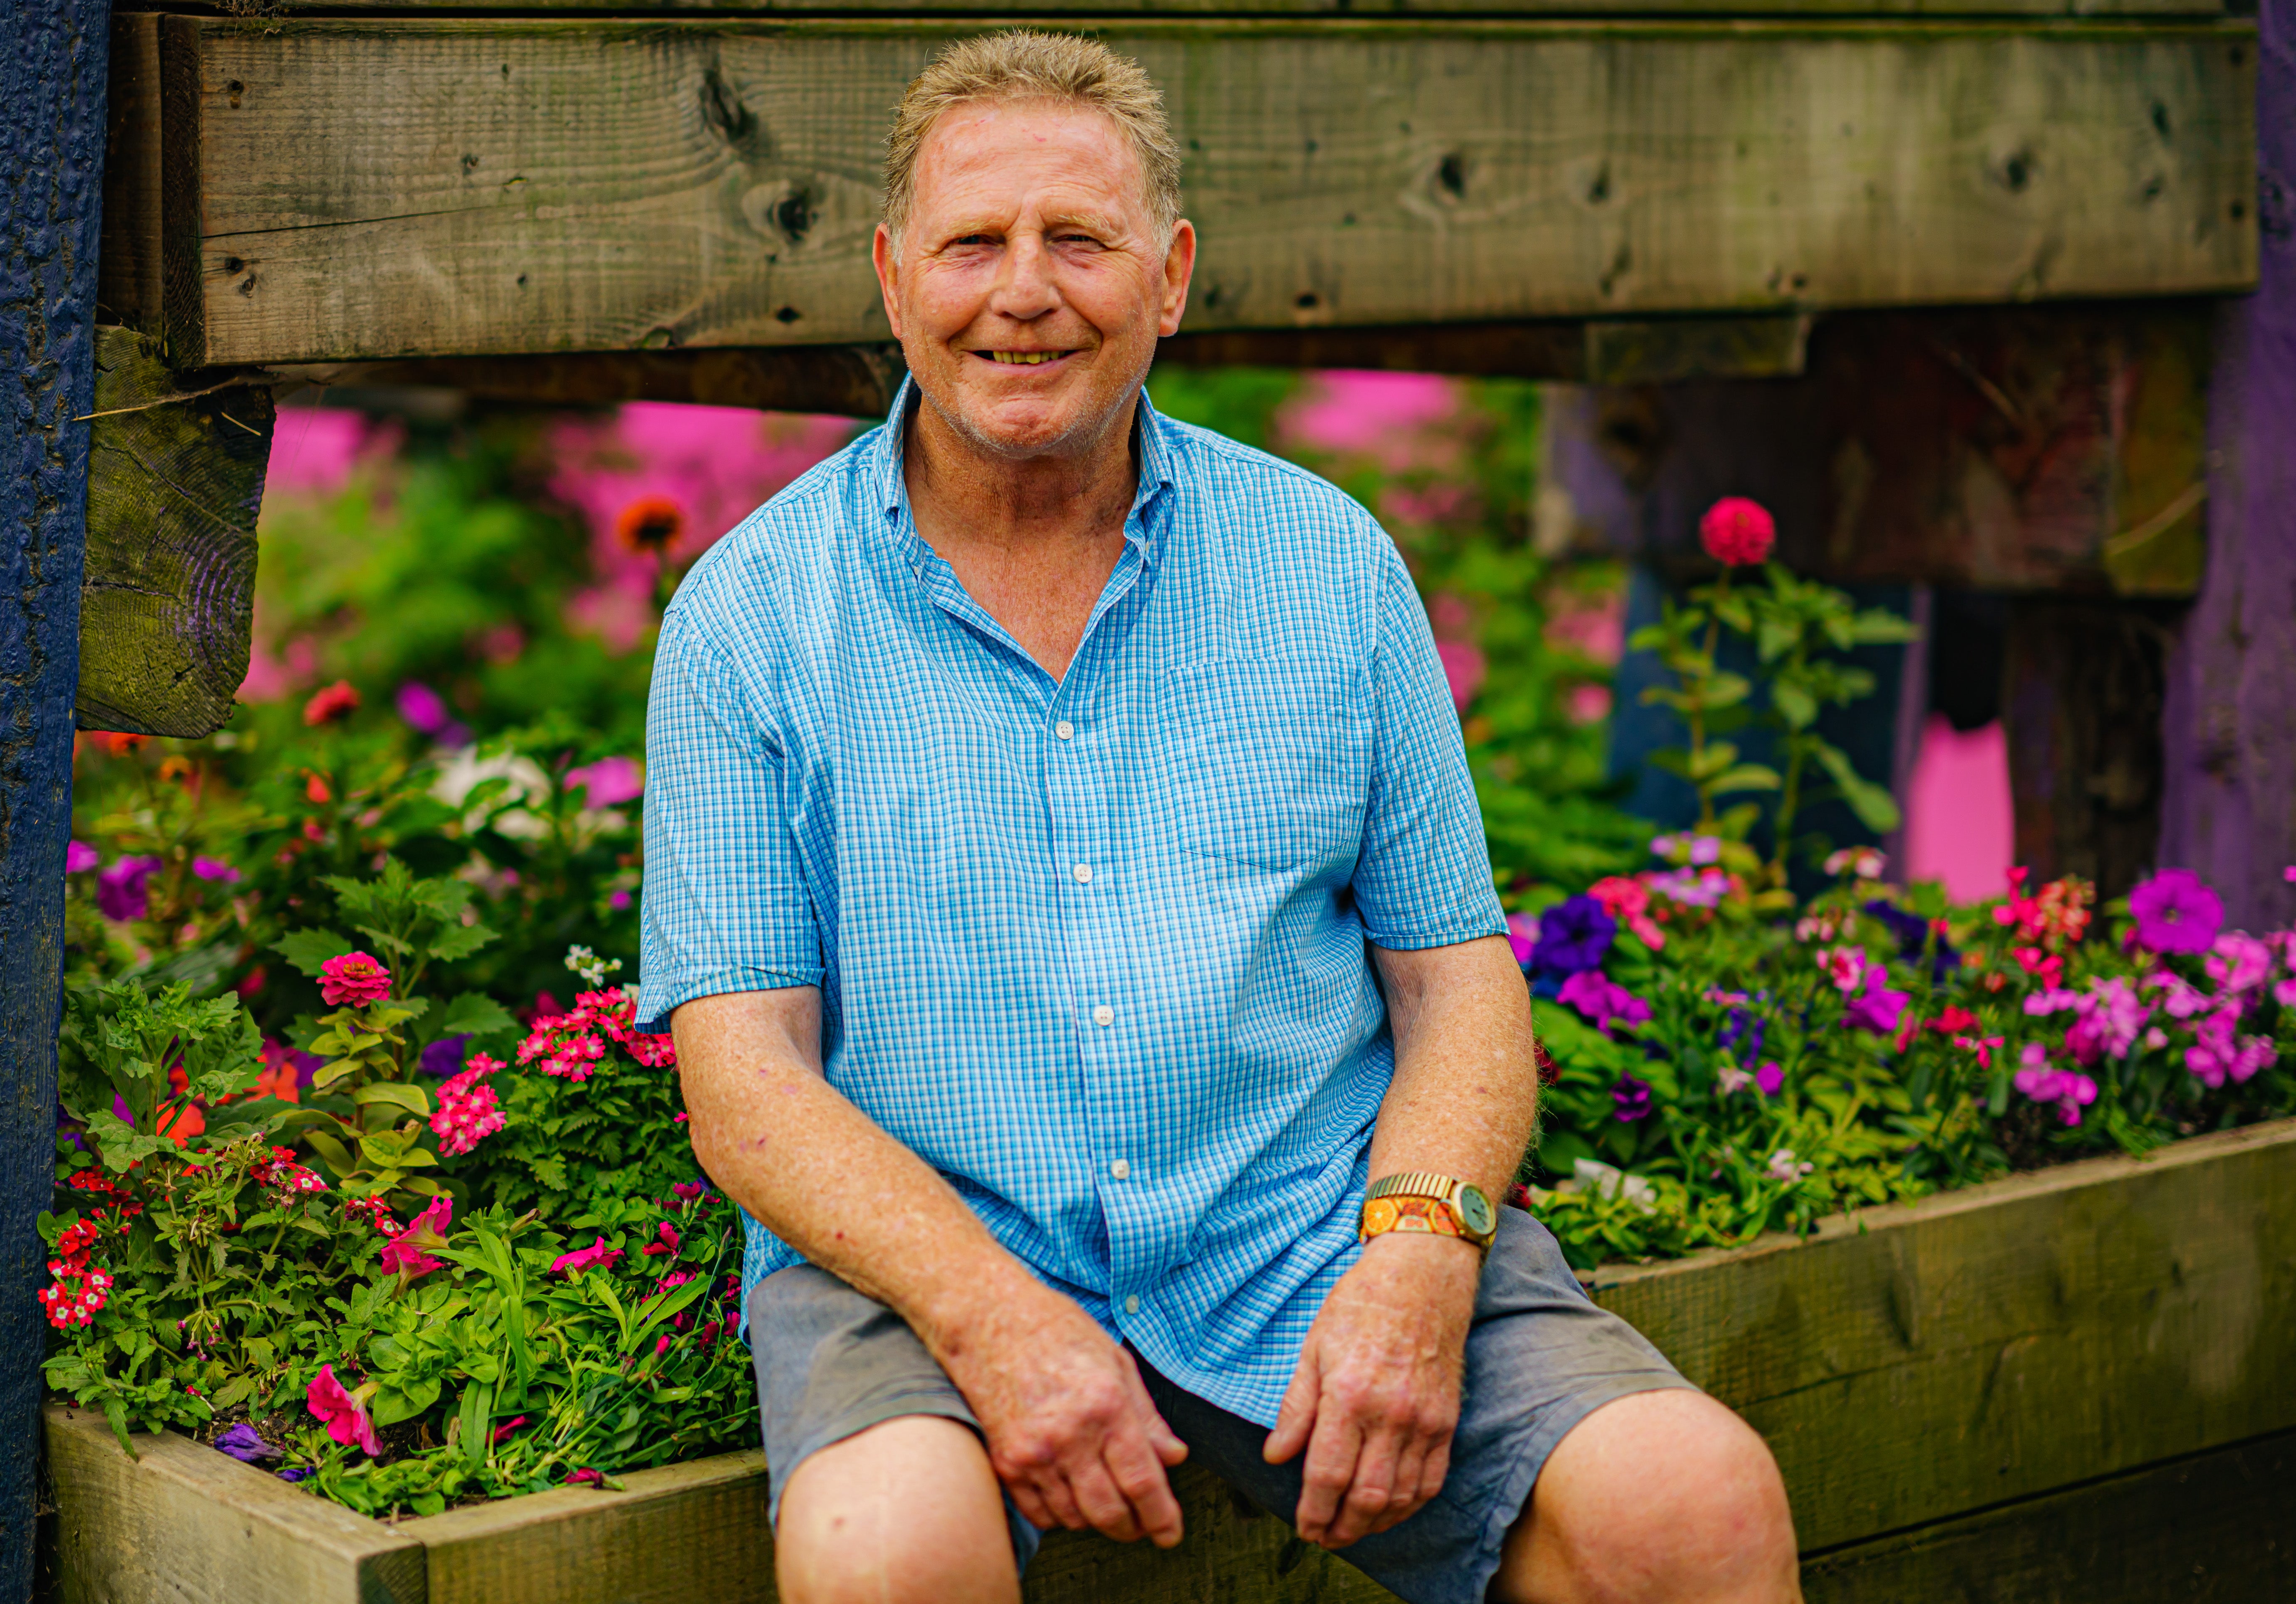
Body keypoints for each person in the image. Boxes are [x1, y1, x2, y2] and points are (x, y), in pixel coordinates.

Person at [636, 31, 1799, 1604]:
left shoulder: (1324, 563)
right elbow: (744, 1079)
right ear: (894, 277)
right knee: (884, 1551)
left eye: (1081, 240)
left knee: (1692, 1500)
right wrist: (993, 1319)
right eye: (974, 243)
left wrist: (1418, 1255)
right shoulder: (752, 618)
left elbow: (1455, 981)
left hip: (1302, 1214)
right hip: (933, 1252)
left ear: (1170, 276)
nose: (1024, 290)